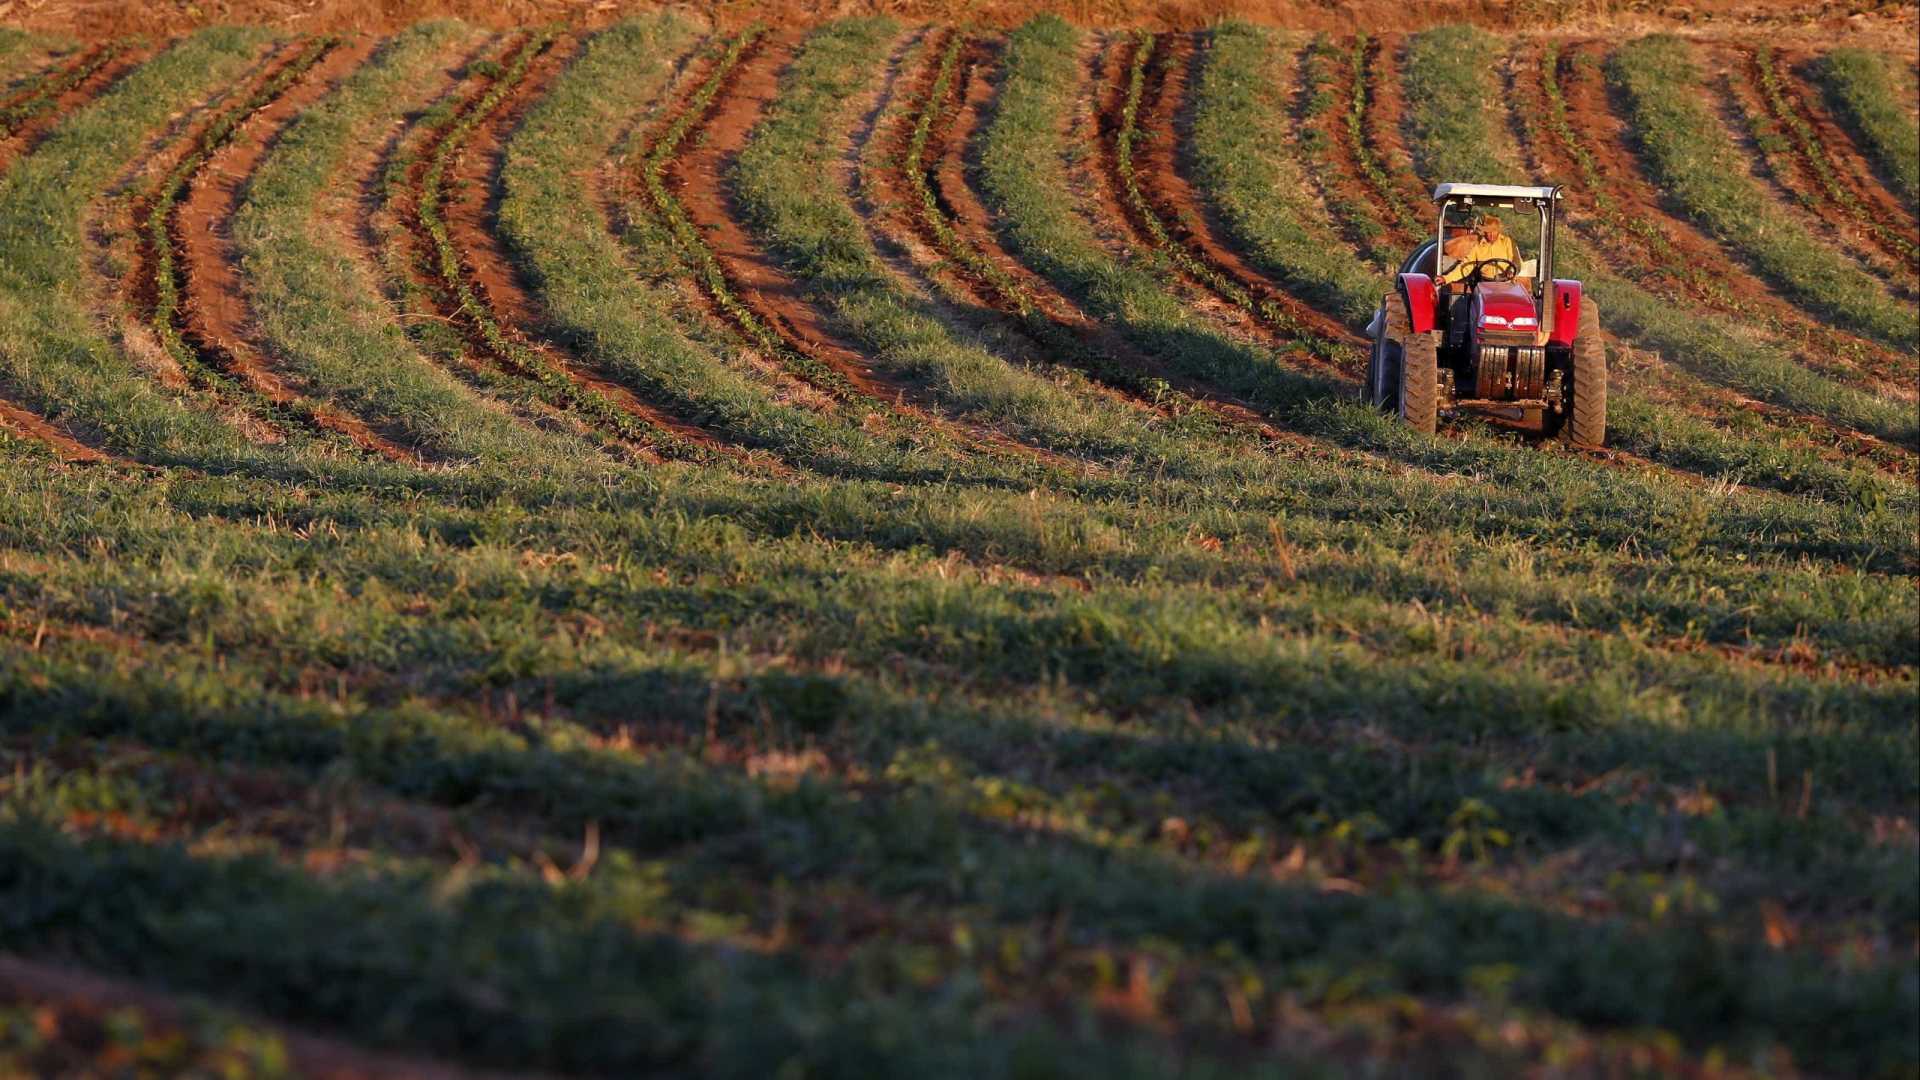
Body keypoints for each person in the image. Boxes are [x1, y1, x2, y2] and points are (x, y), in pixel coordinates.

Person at [1439, 213, 1519, 288]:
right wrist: (1446, 278)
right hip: (1485, 283)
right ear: (1484, 232)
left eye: (1494, 231)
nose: (1491, 235)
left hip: (1505, 283)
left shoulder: (1507, 242)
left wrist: (1511, 271)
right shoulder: (1478, 246)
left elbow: (1515, 260)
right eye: (1488, 232)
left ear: (1498, 230)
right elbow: (1467, 265)